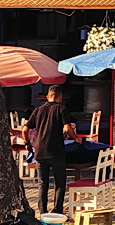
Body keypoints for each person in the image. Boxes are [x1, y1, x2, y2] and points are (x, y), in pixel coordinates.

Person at [22, 85, 77, 215]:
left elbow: (25, 130)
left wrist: (27, 143)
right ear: (60, 97)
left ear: (47, 97)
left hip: (40, 151)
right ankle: (57, 210)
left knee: (43, 184)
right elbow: (68, 128)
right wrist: (76, 138)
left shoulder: (38, 110)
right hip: (56, 151)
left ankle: (42, 212)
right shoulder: (61, 109)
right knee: (60, 183)